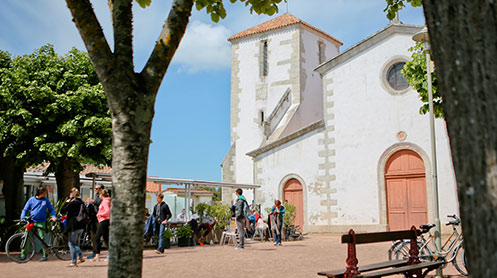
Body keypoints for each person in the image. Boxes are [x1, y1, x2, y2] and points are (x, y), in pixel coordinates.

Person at [20, 185, 57, 261]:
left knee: (42, 238)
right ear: (40, 192)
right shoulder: (31, 200)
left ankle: (44, 255)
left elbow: (51, 209)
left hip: (41, 222)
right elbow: (25, 210)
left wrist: (53, 216)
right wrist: (22, 218)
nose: (45, 194)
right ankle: (23, 255)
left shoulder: (45, 200)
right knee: (26, 237)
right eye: (44, 193)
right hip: (31, 221)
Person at [60, 187, 86, 267]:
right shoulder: (81, 202)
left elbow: (62, 210)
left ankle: (74, 261)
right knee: (74, 243)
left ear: (72, 194)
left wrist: (67, 202)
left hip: (74, 225)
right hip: (81, 224)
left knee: (71, 243)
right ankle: (80, 257)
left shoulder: (73, 203)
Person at [86, 184, 104, 259]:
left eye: (97, 188)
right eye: (95, 188)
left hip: (101, 218)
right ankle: (95, 251)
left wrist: (93, 201)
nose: (96, 190)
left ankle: (109, 251)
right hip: (94, 217)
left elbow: (102, 204)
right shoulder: (96, 196)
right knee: (93, 236)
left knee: (103, 235)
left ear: (101, 189)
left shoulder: (104, 196)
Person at [93, 189, 111, 261]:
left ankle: (97, 255)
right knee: (106, 238)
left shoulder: (105, 201)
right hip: (104, 220)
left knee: (97, 237)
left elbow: (107, 211)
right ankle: (110, 253)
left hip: (104, 220)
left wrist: (100, 214)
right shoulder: (106, 201)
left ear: (101, 195)